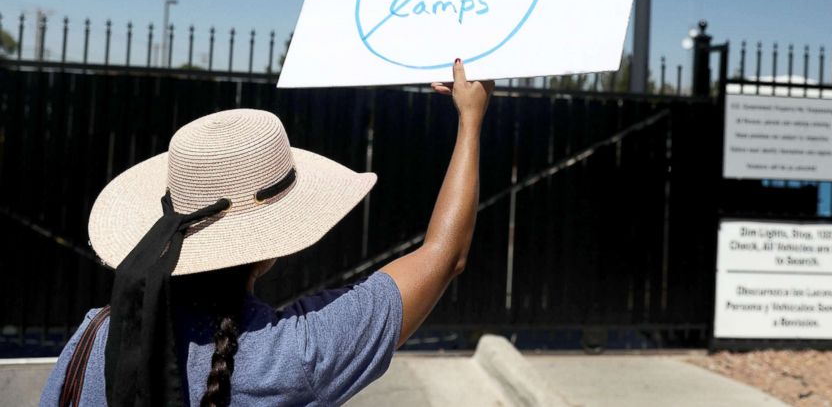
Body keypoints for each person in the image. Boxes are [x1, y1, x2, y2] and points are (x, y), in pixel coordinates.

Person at [40, 59, 494, 406]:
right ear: (269, 249)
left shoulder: (91, 337)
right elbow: (444, 254)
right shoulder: (293, 354)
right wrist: (469, 121)